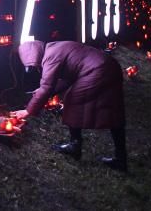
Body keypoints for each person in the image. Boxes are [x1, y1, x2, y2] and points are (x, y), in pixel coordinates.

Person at [11, 40, 127, 171]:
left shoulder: (50, 57)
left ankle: (74, 146)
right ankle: (121, 159)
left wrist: (28, 111)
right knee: (112, 111)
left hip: (97, 70)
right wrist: (48, 91)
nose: (36, 68)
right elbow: (68, 77)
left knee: (72, 102)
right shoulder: (55, 47)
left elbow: (46, 87)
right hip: (111, 66)